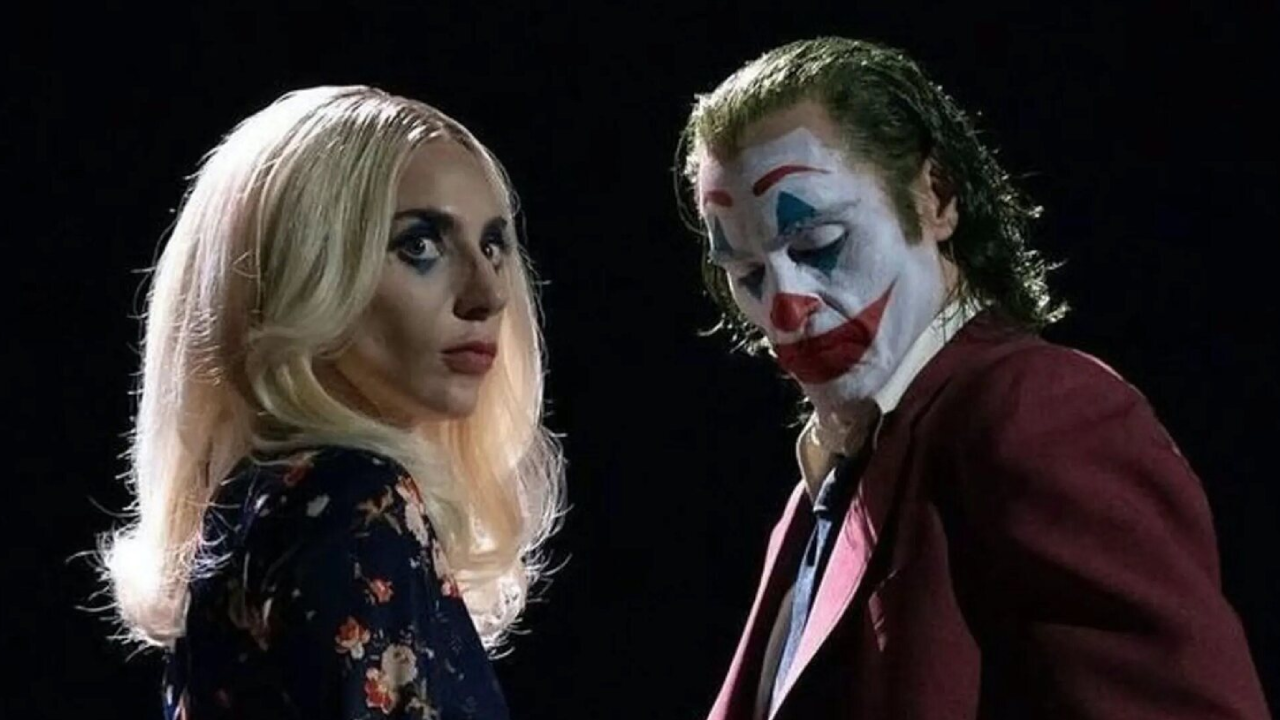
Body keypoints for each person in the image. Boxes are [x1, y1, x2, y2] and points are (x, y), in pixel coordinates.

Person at [680, 37, 1270, 719]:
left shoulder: (1032, 414)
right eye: (747, 273)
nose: (785, 308)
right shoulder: (822, 493)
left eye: (818, 244)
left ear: (935, 196)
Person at [99, 85, 563, 719]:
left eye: (492, 246)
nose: (489, 294)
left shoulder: (260, 504)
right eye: (420, 245)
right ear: (302, 265)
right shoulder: (353, 500)